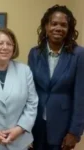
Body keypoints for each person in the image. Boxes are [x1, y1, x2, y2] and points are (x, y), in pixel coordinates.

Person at [28, 4, 84, 150]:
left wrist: (74, 132)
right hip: (36, 125)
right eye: (54, 24)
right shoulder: (34, 54)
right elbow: (29, 92)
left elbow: (81, 97)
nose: (58, 28)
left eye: (63, 25)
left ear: (69, 29)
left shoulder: (78, 55)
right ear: (46, 27)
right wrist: (25, 129)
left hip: (63, 127)